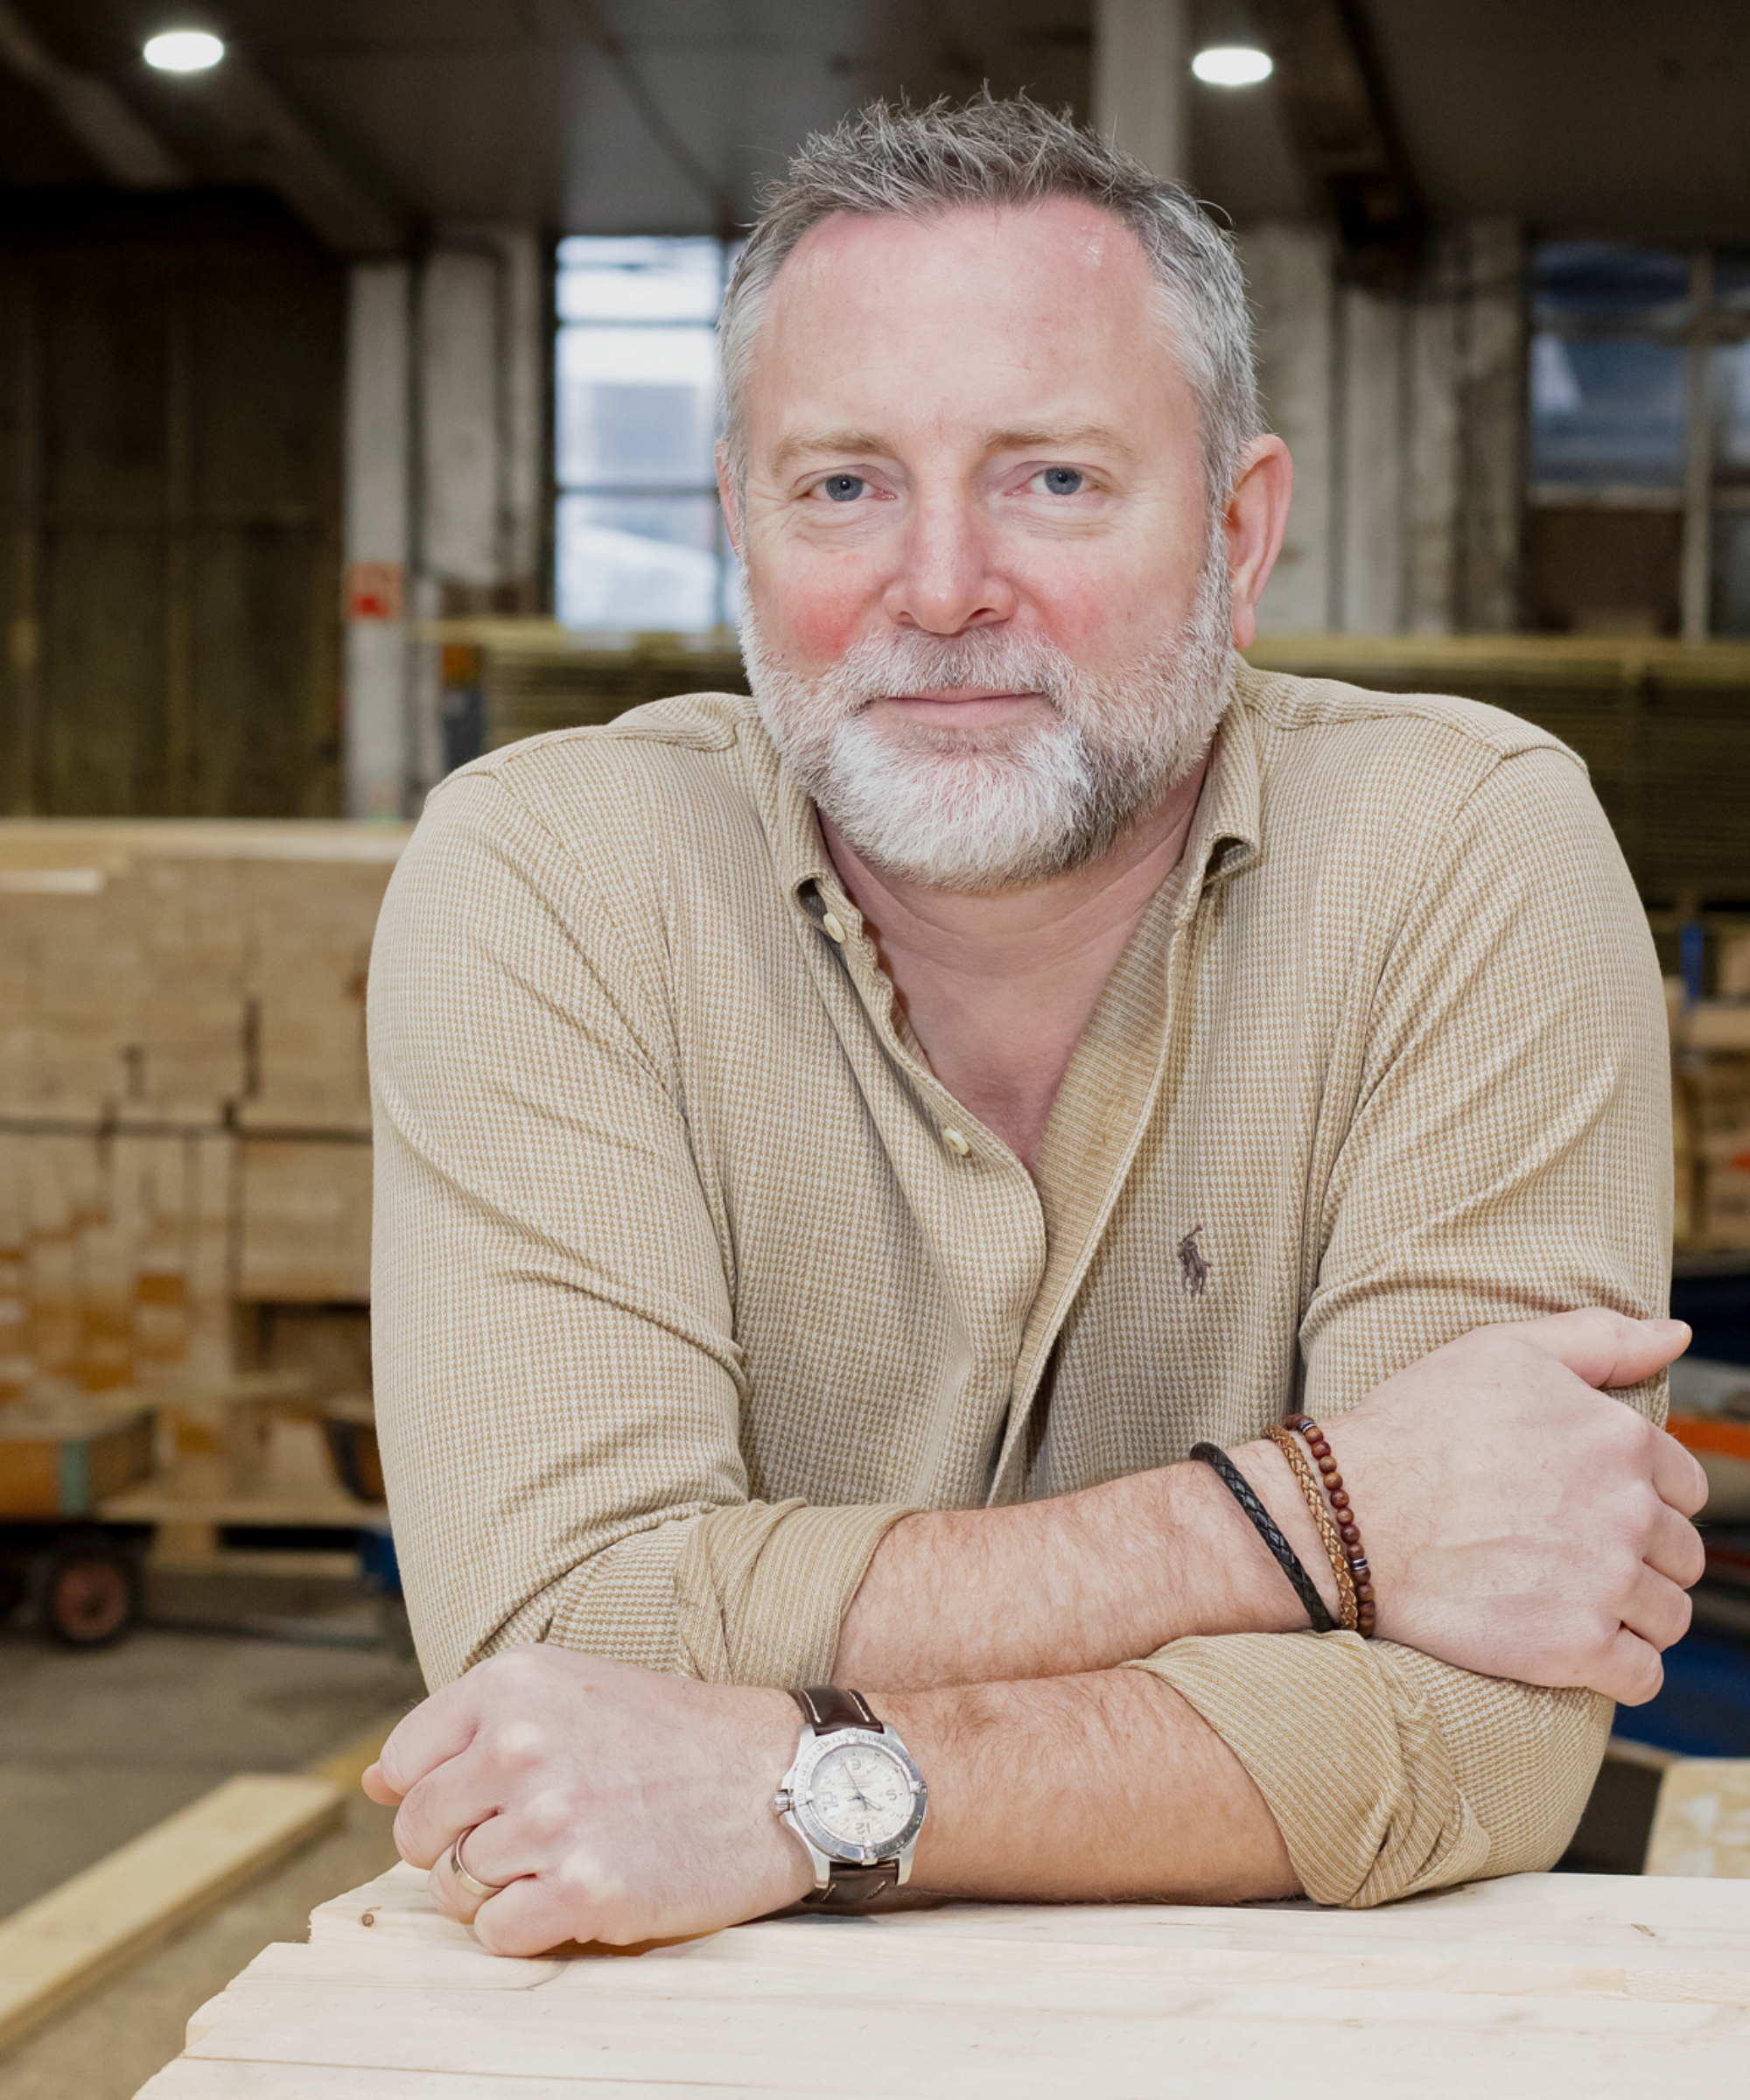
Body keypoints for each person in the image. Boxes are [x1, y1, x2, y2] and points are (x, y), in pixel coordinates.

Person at [362, 96, 1705, 1956]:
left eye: (1050, 480)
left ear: (1238, 534)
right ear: (741, 530)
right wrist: (1315, 1518)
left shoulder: (1464, 853)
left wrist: (793, 1783)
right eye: (841, 485)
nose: (935, 589)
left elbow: (1488, 1728)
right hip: (677, 2029)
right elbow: (559, 1637)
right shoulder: (552, 878)